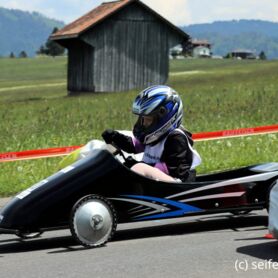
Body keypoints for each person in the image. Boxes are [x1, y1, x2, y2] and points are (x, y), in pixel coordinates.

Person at [102, 85, 201, 182]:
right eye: (142, 119)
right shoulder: (154, 137)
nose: (143, 124)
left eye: (148, 120)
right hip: (158, 182)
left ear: (164, 116)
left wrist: (137, 164)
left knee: (140, 168)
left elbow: (171, 169)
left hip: (177, 185)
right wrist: (115, 137)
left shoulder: (176, 138)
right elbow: (133, 146)